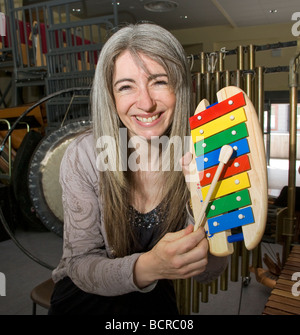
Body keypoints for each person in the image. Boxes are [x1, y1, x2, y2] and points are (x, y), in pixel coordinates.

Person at [48, 23, 228, 315]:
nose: (145, 103)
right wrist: (150, 265)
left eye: (159, 82)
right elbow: (79, 265)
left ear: (180, 87)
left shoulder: (202, 155)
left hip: (154, 298)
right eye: (126, 86)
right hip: (85, 297)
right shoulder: (84, 155)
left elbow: (208, 273)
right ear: (111, 96)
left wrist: (202, 201)